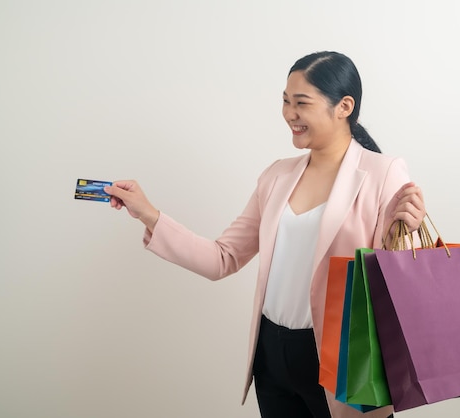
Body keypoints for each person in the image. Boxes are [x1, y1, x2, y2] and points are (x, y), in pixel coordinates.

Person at [104, 51, 425, 418]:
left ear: (344, 107)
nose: (290, 114)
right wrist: (148, 214)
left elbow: (400, 279)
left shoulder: (382, 173)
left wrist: (410, 230)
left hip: (347, 358)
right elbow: (222, 258)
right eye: (285, 101)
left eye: (301, 103)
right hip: (272, 356)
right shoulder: (277, 176)